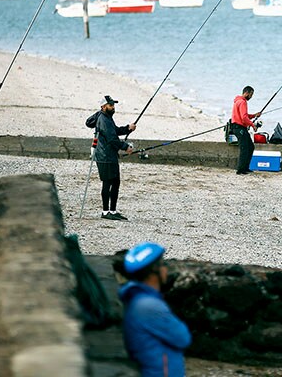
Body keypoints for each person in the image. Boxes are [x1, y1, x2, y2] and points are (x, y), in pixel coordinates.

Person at [119, 242, 192, 377]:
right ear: (154, 272)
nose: (166, 269)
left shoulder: (137, 299)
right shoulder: (149, 306)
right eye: (163, 264)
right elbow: (183, 337)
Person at [85, 95, 136, 220]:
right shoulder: (103, 119)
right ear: (103, 107)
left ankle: (112, 211)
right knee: (108, 183)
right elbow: (112, 138)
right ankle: (105, 212)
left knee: (115, 182)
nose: (113, 107)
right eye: (110, 105)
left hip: (109, 155)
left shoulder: (106, 118)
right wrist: (125, 147)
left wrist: (127, 129)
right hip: (105, 155)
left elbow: (114, 131)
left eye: (113, 105)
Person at [230, 85, 261, 175]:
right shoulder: (243, 102)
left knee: (250, 147)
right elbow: (244, 118)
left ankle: (246, 168)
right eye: (251, 94)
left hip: (238, 127)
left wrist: (254, 115)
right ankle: (240, 170)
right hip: (239, 128)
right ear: (246, 93)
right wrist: (252, 125)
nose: (251, 97)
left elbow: (244, 115)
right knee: (244, 148)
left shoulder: (238, 101)